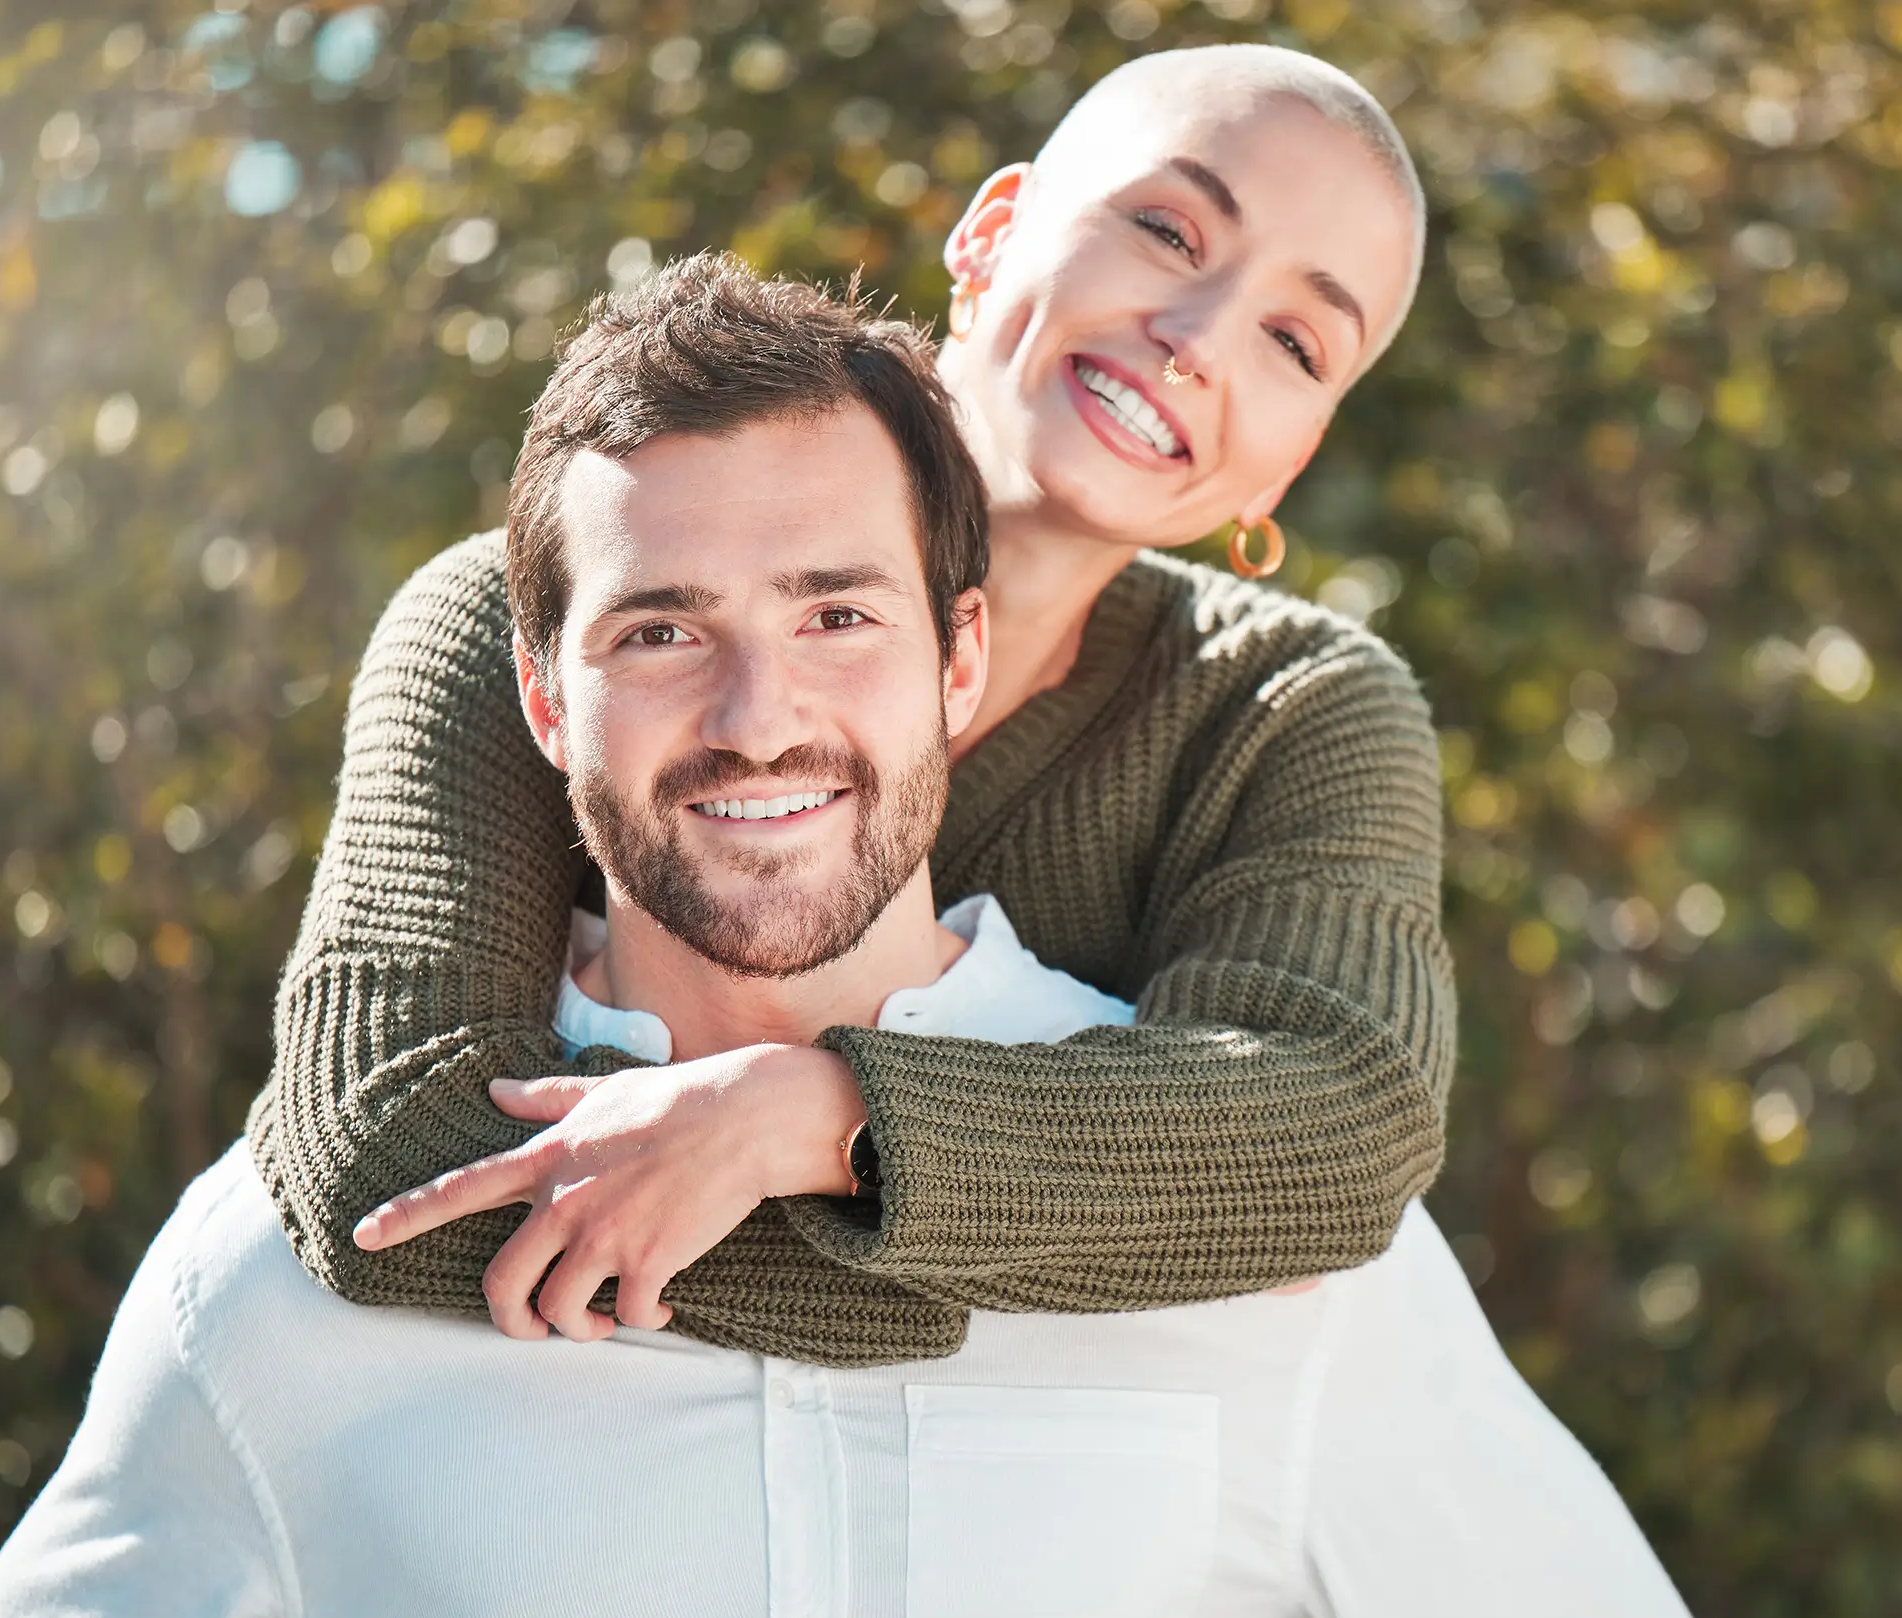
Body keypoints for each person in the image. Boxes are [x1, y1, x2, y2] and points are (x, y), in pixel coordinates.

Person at [0, 262, 1745, 1618]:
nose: (757, 712)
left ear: (960, 660)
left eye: (836, 614)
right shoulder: (290, 1273)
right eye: (659, 633)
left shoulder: (1281, 1257)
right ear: (541, 694)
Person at [252, 44, 1455, 1359]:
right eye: (1168, 232)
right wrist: (1035, 1290)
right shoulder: (534, 624)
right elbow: (383, 1142)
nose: (1198, 340)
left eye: (1294, 340)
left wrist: (813, 1120)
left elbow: (1330, 1131)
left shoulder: (1287, 709)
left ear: (1299, 453)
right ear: (992, 235)